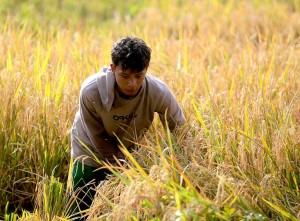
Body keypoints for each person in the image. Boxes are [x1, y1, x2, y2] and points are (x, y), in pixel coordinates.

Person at [68, 36, 185, 220]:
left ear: (146, 69)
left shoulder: (158, 92)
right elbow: (99, 139)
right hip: (89, 151)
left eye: (139, 76)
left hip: (128, 151)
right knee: (81, 210)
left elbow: (179, 128)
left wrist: (178, 163)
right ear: (113, 68)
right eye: (125, 76)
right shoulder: (91, 92)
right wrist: (123, 168)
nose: (132, 84)